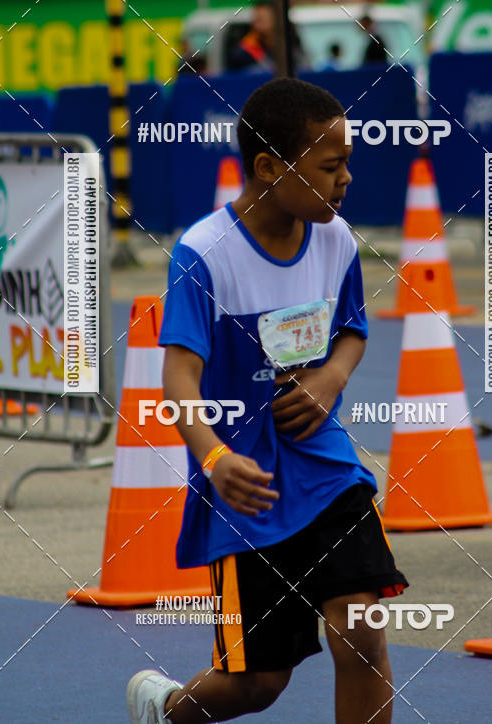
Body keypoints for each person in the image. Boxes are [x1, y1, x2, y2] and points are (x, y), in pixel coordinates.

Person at [126, 77, 408, 723]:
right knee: (258, 684)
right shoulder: (205, 253)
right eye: (331, 166)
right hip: (247, 489)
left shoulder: (336, 240)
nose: (347, 180)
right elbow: (178, 379)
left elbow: (353, 332)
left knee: (361, 633)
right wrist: (213, 458)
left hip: (327, 470)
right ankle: (168, 708)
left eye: (348, 164)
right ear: (268, 167)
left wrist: (332, 375)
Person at [228, 0, 276, 71]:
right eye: (255, 20)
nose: (256, 25)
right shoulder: (244, 52)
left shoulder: (288, 45)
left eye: (261, 20)